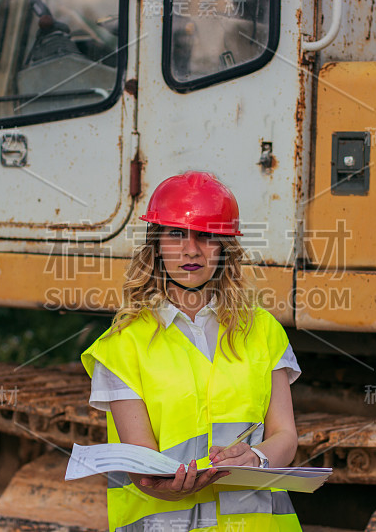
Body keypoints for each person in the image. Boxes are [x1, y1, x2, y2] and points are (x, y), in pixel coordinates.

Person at [81, 171, 303, 531]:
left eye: (206, 235)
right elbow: (140, 460)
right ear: (156, 245)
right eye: (176, 234)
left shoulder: (262, 330)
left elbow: (285, 435)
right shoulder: (122, 345)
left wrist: (258, 458)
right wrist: (163, 486)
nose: (191, 250)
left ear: (224, 247)